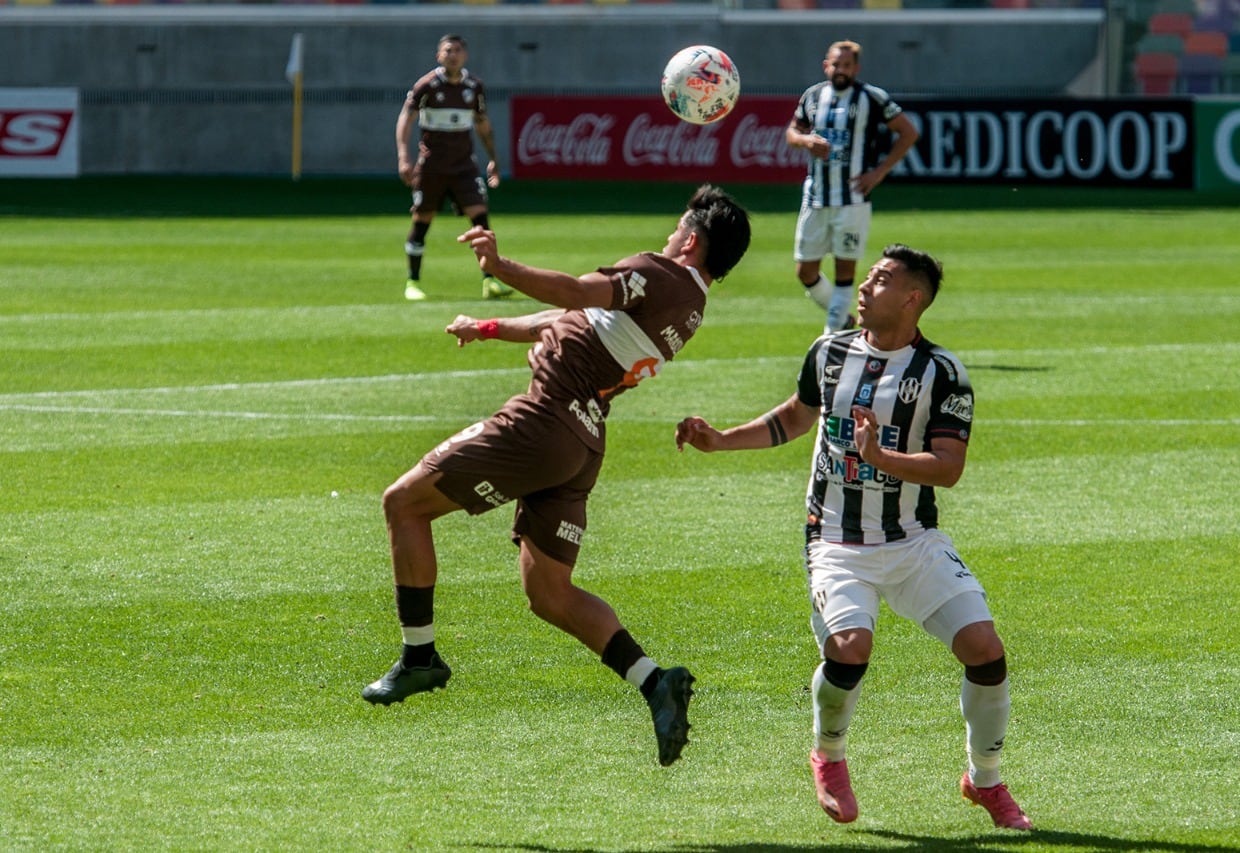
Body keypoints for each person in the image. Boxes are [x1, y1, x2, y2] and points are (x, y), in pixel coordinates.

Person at [361, 184, 752, 769]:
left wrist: (499, 265)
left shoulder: (657, 272)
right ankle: (654, 681)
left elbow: (572, 290)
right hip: (582, 442)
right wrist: (491, 327)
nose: (669, 236)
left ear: (691, 240)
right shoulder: (687, 305)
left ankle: (420, 657)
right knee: (550, 593)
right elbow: (569, 316)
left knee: (404, 504)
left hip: (544, 421)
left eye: (676, 228)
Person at [674, 244, 1032, 830]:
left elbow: (949, 466)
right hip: (836, 541)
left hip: (913, 541)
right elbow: (794, 417)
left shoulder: (943, 373)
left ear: (912, 299)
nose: (864, 286)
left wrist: (880, 456)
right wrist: (721, 440)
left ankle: (985, 781)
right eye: (867, 277)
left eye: (882, 279)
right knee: (849, 649)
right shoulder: (830, 351)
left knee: (985, 651)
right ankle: (829, 756)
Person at [786, 40, 919, 336]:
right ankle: (844, 321)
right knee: (805, 271)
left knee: (845, 271)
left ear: (856, 68)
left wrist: (880, 172)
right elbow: (792, 133)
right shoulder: (812, 96)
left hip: (853, 199)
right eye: (835, 64)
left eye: (846, 65)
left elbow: (908, 132)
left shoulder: (872, 98)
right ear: (826, 65)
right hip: (816, 196)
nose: (840, 70)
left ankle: (831, 335)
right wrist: (806, 141)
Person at [397, 33, 512, 302]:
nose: (453, 54)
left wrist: (493, 157)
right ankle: (412, 282)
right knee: (422, 220)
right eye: (448, 50)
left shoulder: (474, 86)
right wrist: (404, 157)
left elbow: (483, 124)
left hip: (464, 167)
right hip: (432, 167)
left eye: (458, 50)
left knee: (480, 219)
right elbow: (406, 118)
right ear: (439, 55)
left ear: (465, 55)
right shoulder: (426, 86)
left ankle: (490, 281)